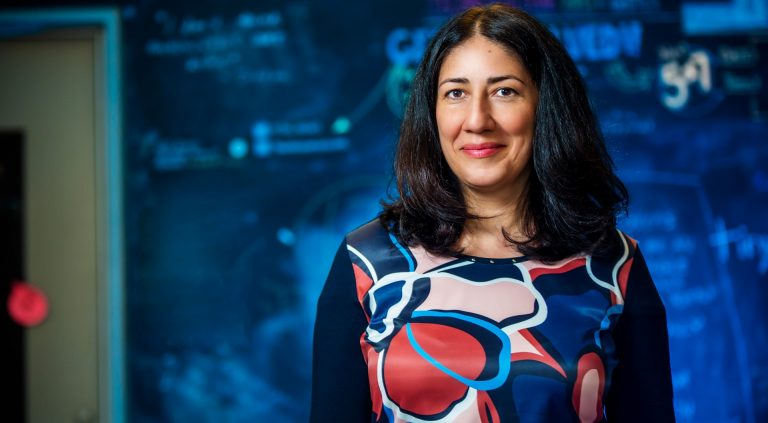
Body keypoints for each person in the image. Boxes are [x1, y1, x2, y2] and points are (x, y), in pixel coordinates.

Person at [310, 4, 675, 422]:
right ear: (432, 113)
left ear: (545, 107)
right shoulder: (365, 263)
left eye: (505, 91)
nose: (478, 120)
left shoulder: (615, 266)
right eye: (456, 93)